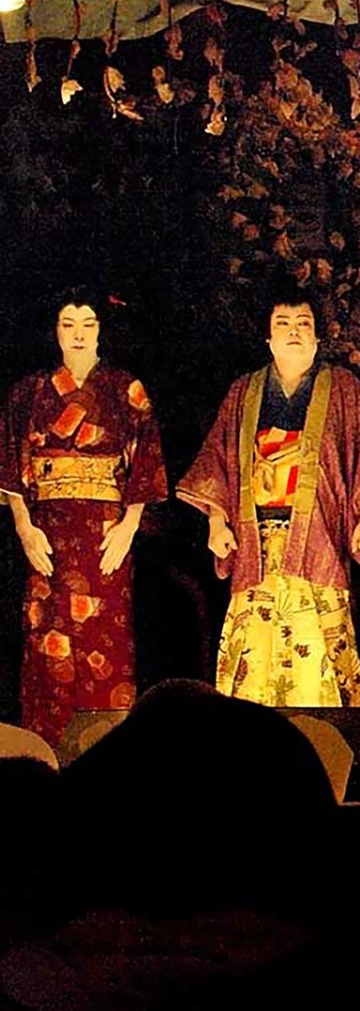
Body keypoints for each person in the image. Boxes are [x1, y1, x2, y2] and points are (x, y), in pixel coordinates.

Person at [177, 277, 360, 707]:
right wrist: (216, 521)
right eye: (283, 323)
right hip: (255, 544)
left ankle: (326, 738)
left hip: (317, 541)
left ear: (318, 337)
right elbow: (218, 462)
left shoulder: (345, 391)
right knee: (253, 658)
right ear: (268, 338)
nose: (294, 331)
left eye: (304, 323)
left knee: (320, 652)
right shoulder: (243, 393)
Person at [1, 287, 166, 745]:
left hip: (106, 534)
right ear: (55, 331)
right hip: (48, 533)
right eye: (68, 324)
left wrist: (129, 526)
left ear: (100, 330)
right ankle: (46, 756)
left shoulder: (125, 390)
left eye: (88, 324)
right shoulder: (30, 392)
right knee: (46, 643)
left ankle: (108, 755)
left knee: (106, 642)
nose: (78, 334)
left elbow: (145, 461)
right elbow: (10, 464)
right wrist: (24, 527)